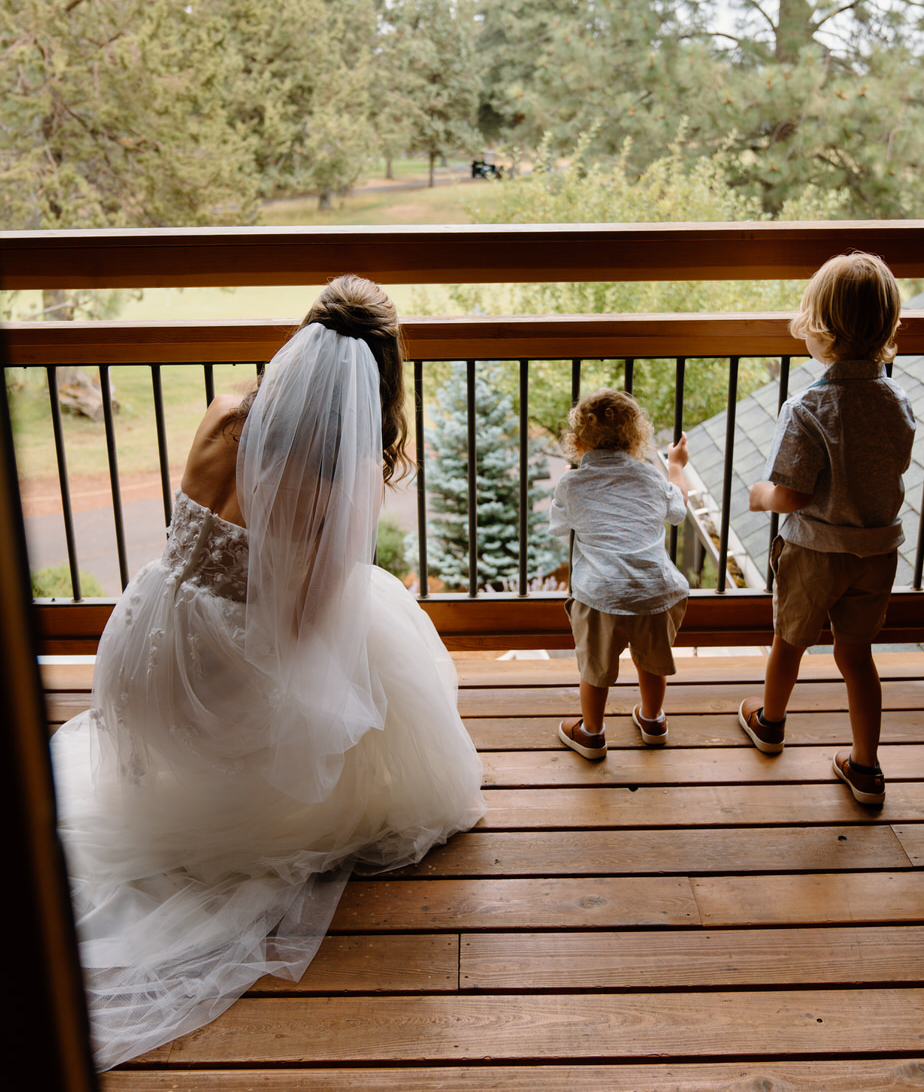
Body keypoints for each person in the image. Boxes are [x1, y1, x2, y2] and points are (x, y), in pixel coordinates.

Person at [50, 275, 485, 1071]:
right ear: (379, 375)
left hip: (143, 636)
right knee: (382, 643)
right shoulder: (336, 470)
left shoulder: (226, 406)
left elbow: (192, 532)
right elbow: (304, 627)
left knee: (371, 617)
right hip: (213, 677)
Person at [739, 251, 915, 806]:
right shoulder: (897, 400)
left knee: (789, 641)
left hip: (815, 551)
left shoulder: (808, 406)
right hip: (876, 550)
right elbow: (896, 463)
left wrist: (760, 495)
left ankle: (770, 723)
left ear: (823, 330)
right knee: (856, 656)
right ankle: (865, 767)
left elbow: (792, 492)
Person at [549, 388, 689, 759]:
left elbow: (560, 526)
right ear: (636, 439)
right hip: (656, 590)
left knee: (595, 670)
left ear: (577, 443)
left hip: (600, 595)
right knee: (652, 662)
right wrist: (675, 468)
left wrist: (573, 484)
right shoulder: (650, 476)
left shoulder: (571, 483)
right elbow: (678, 512)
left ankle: (592, 734)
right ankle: (653, 719)